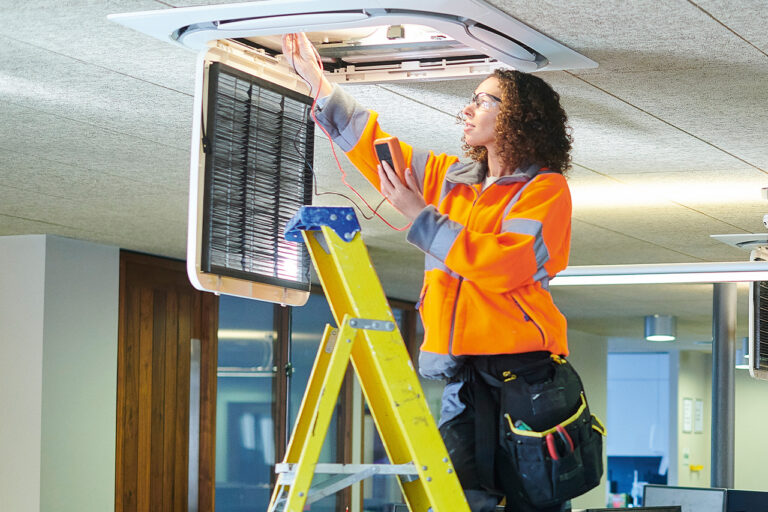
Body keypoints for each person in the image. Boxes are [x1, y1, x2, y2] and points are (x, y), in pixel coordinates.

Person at [282, 33, 576, 512]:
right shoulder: (450, 179)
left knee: (533, 502)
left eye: (483, 100)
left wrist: (424, 217)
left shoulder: (545, 191)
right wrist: (320, 86)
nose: (468, 109)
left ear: (517, 116)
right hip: (461, 374)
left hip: (524, 375)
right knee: (462, 501)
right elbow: (377, 149)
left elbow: (503, 265)